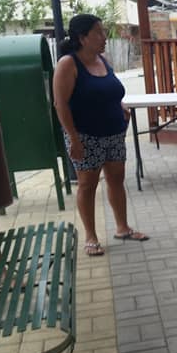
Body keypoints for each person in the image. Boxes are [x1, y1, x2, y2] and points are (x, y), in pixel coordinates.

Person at [53, 14, 148, 257]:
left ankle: (123, 228)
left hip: (114, 133)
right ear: (82, 37)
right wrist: (73, 139)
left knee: (116, 180)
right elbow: (60, 105)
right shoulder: (68, 64)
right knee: (87, 185)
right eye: (98, 32)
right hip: (85, 136)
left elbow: (108, 91)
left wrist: (121, 107)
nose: (104, 37)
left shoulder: (102, 60)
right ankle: (91, 237)